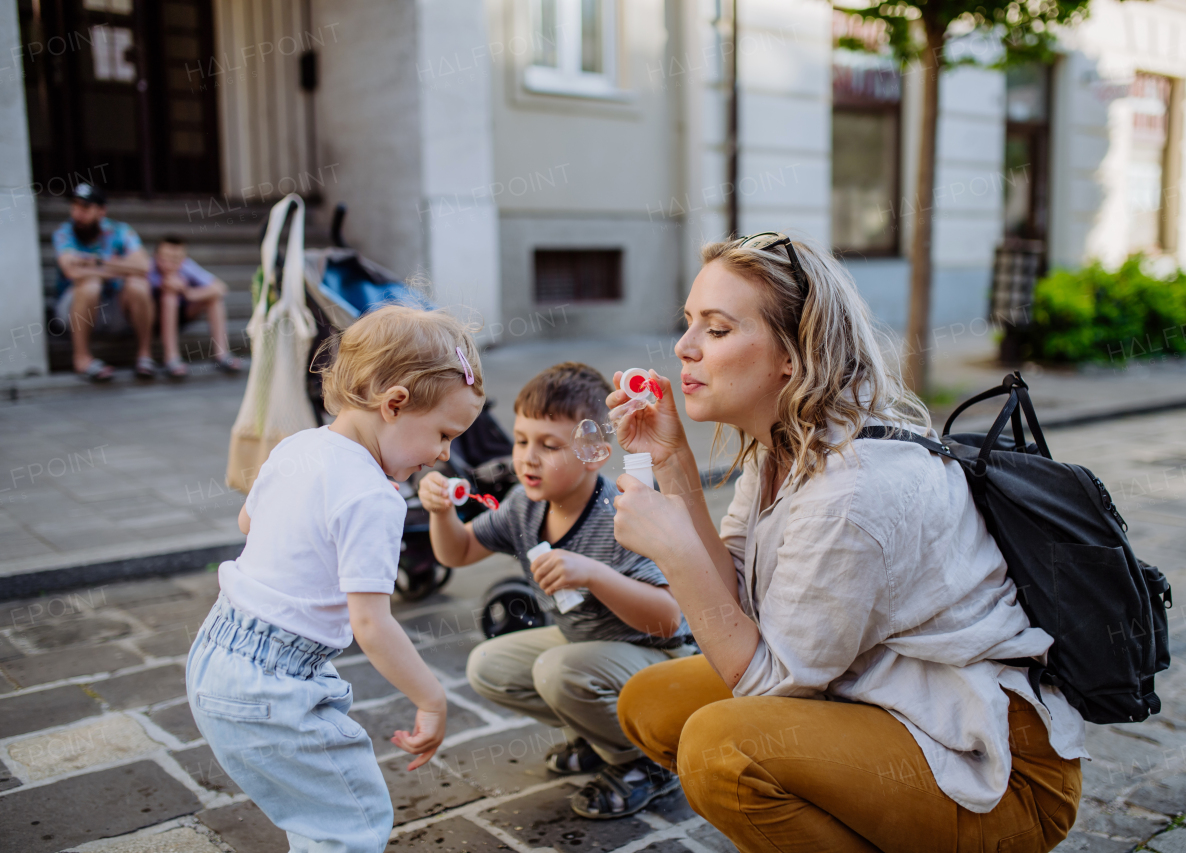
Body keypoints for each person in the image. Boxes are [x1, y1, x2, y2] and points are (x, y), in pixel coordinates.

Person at [608, 233, 1087, 852]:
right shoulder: (786, 442)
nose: (683, 348)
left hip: (994, 769)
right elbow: (737, 595)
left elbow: (770, 683)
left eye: (717, 330)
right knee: (653, 699)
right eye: (688, 323)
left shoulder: (851, 491)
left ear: (791, 355)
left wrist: (673, 553)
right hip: (877, 697)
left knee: (722, 750)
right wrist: (673, 463)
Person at [186, 306, 487, 852]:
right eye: (444, 434)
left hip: (215, 655)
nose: (444, 455)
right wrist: (431, 699)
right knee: (347, 824)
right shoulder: (374, 496)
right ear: (394, 404)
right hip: (272, 684)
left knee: (316, 812)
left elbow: (247, 522)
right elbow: (371, 625)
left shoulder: (297, 445)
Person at [420, 362, 698, 819]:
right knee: (488, 665)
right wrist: (441, 513)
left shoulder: (623, 514)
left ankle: (646, 764)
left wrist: (592, 574)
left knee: (558, 670)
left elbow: (669, 618)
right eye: (521, 440)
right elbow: (458, 554)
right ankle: (605, 738)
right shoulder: (524, 506)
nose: (528, 457)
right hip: (586, 649)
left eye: (549, 446)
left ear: (593, 453)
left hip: (659, 659)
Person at [52, 183, 155, 381]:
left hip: (114, 309)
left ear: (101, 211)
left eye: (85, 207)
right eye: (74, 206)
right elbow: (72, 271)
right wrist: (119, 268)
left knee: (138, 284)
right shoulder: (64, 233)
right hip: (72, 310)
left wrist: (96, 262)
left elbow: (144, 266)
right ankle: (81, 358)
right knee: (90, 283)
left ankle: (144, 355)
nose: (77, 213)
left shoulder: (120, 231)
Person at [149, 234, 242, 377]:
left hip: (184, 313)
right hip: (153, 318)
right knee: (169, 297)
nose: (169, 264)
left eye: (175, 260)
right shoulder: (148, 269)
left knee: (214, 299)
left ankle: (221, 354)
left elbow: (221, 288)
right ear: (156, 256)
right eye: (164, 259)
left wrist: (187, 292)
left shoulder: (187, 266)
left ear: (183, 259)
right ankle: (171, 357)